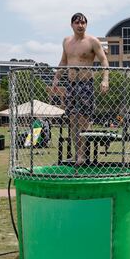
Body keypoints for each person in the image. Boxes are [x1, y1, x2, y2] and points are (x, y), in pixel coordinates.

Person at [52, 12, 109, 166]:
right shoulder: (66, 41)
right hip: (71, 85)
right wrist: (56, 78)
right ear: (72, 25)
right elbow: (63, 61)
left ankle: (82, 155)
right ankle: (77, 154)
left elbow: (104, 60)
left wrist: (105, 79)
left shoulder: (92, 41)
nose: (80, 25)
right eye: (77, 22)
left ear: (86, 25)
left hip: (85, 84)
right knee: (72, 121)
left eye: (83, 22)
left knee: (83, 121)